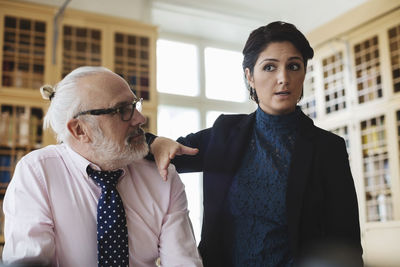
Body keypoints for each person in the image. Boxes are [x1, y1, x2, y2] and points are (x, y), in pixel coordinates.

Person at [146, 21, 363, 267]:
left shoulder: (328, 148)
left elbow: (347, 244)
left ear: (304, 73)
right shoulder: (224, 134)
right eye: (269, 67)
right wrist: (155, 142)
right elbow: (148, 154)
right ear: (249, 76)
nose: (283, 78)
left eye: (293, 66)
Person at [2, 66, 203, 267]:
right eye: (122, 110)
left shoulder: (163, 177)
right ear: (80, 129)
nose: (140, 119)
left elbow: (183, 263)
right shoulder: (38, 173)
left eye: (134, 105)